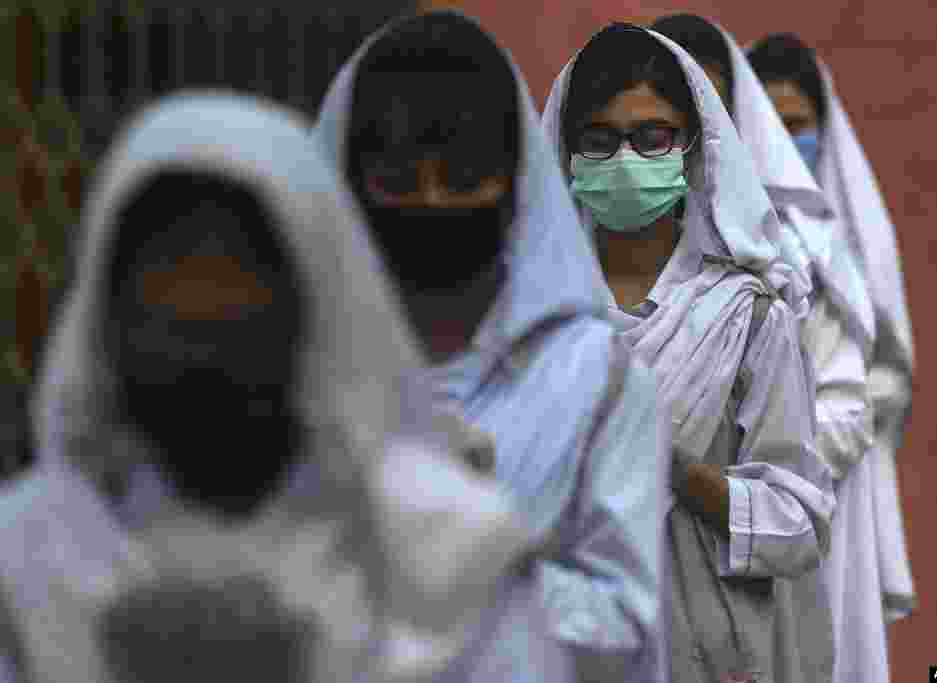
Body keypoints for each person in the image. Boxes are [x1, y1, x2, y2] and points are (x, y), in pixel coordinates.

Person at [0, 92, 531, 683]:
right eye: (169, 273)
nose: (201, 310)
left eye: (236, 272)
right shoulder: (25, 558)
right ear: (107, 307)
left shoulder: (443, 551)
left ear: (313, 299)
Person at [312, 10, 670, 682]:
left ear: (513, 179)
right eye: (398, 181)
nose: (432, 202)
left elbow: (627, 622)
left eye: (462, 176)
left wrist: (483, 559)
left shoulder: (597, 380)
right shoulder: (298, 373)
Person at [542, 23, 835, 683]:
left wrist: (674, 469)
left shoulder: (748, 316)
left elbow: (801, 522)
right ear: (566, 153)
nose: (625, 157)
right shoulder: (535, 318)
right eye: (599, 138)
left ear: (692, 147)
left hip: (707, 646)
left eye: (651, 136)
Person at [651, 14, 883, 683]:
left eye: (708, 98)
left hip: (761, 553)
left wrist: (758, 468)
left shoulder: (788, 254)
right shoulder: (588, 258)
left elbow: (846, 402)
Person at [748, 33, 917, 683]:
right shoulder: (730, 234)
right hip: (742, 487)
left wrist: (834, 412)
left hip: (838, 478)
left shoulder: (851, 236)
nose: (786, 139)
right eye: (771, 123)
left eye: (799, 124)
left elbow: (894, 366)